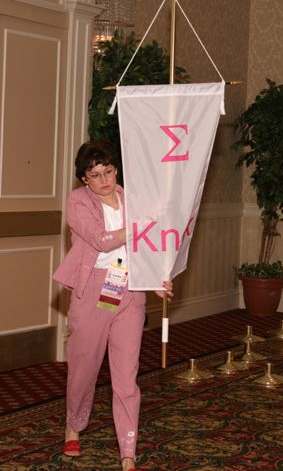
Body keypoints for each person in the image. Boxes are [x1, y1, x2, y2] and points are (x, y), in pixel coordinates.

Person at [53, 140, 173, 471]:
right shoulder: (77, 203)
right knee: (85, 366)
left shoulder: (132, 198)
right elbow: (101, 239)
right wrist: (142, 225)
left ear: (115, 170)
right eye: (95, 174)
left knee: (126, 376)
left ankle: (128, 452)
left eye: (108, 171)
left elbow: (147, 245)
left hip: (130, 288)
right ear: (84, 179)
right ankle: (73, 425)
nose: (104, 179)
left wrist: (155, 281)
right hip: (93, 289)